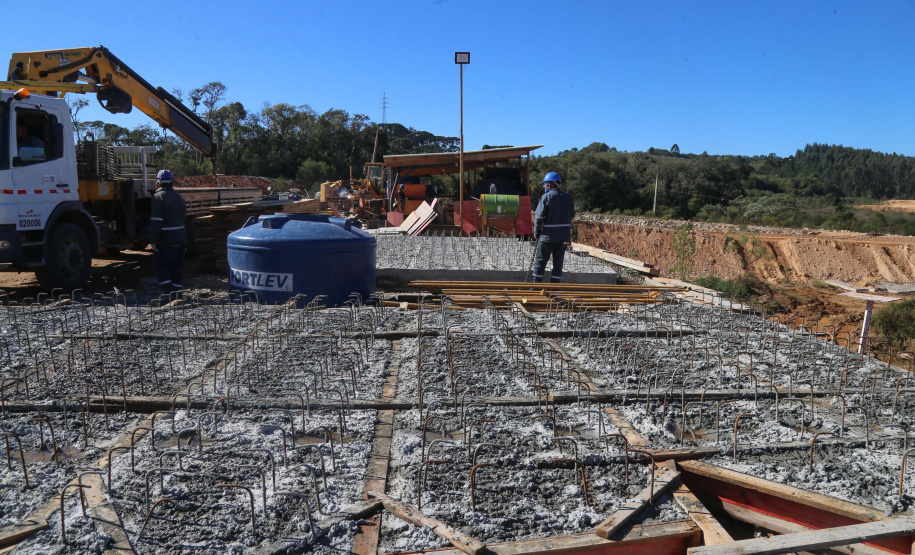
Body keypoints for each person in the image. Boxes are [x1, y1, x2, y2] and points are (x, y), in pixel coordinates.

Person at [149, 169, 188, 295]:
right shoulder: (179, 197)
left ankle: (169, 292)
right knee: (176, 267)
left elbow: (156, 221)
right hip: (181, 239)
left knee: (160, 265)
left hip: (166, 240)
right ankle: (177, 292)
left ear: (158, 182)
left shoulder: (158, 197)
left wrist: (153, 241)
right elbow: (183, 218)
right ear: (172, 182)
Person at [532, 172, 575, 283]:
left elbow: (539, 217)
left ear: (551, 184)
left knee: (540, 262)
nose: (544, 186)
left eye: (545, 184)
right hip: (562, 238)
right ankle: (554, 289)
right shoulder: (568, 198)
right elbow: (572, 215)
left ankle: (535, 288)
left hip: (547, 237)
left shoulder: (546, 197)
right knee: (558, 264)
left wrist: (536, 232)